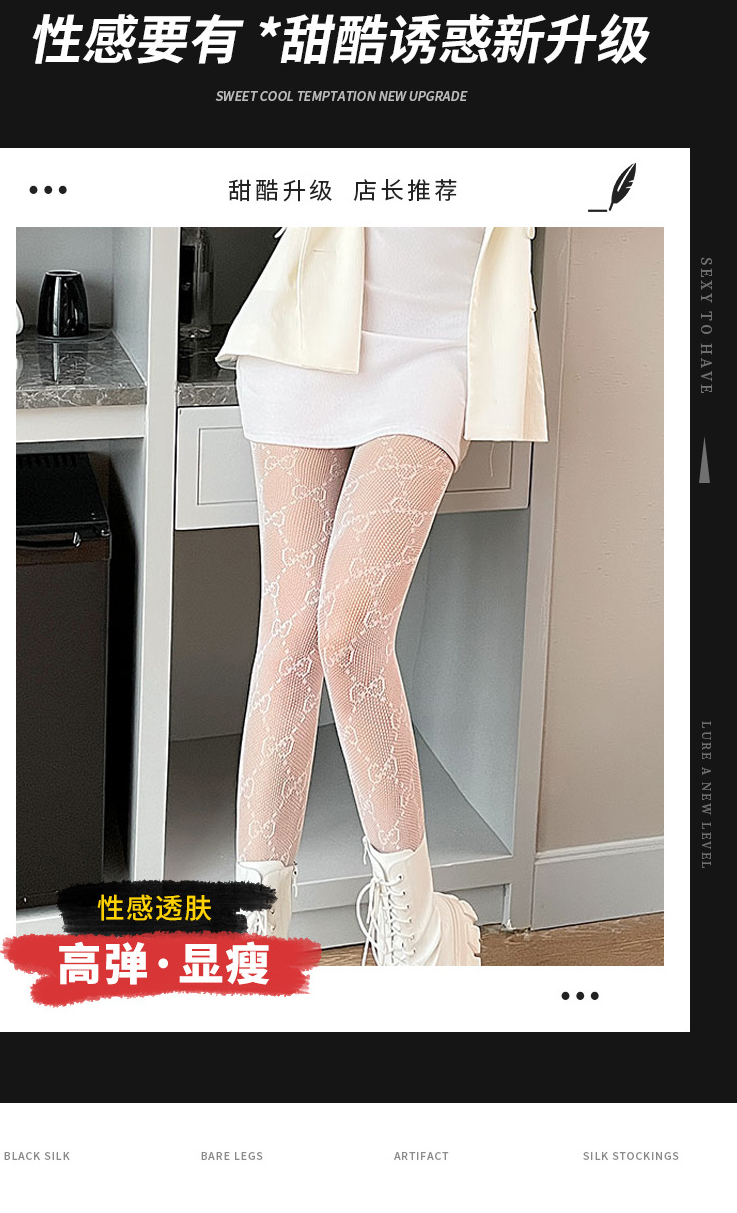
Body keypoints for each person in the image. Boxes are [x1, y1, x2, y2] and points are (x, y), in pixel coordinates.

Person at [215, 226, 547, 965]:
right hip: (306, 331)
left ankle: (419, 936)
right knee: (292, 637)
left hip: (437, 348)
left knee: (350, 631)